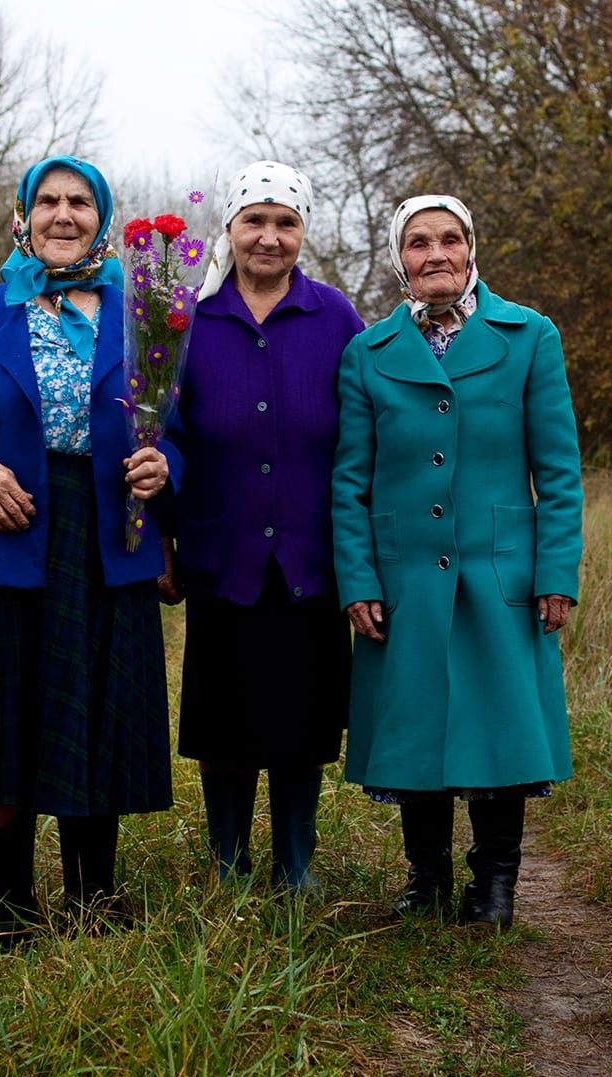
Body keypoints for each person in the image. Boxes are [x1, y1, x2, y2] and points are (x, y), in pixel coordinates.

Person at [0, 156, 180, 948]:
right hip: (7, 539)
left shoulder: (145, 319)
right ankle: (6, 914)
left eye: (80, 203)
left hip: (105, 542)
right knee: (7, 717)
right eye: (48, 202)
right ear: (23, 216)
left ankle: (93, 905)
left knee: (92, 713)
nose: (63, 215)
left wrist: (168, 467)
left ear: (102, 218)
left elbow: (185, 431)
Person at [330, 194, 583, 930]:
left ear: (471, 250)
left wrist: (555, 574)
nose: (434, 254)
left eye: (449, 239)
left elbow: (558, 470)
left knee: (500, 725)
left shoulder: (529, 335)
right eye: (417, 242)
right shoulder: (368, 353)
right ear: (399, 258)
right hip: (404, 574)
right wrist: (359, 579)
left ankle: (495, 885)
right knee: (416, 725)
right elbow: (350, 480)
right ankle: (427, 878)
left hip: (499, 571)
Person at [159, 161, 364, 892]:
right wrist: (161, 529)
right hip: (223, 548)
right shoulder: (189, 319)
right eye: (255, 221)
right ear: (231, 229)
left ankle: (295, 863)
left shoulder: (335, 316)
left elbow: (362, 431)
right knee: (225, 715)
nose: (269, 238)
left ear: (303, 232)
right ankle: (228, 861)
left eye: (286, 223)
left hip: (311, 554)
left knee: (301, 720)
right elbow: (165, 432)